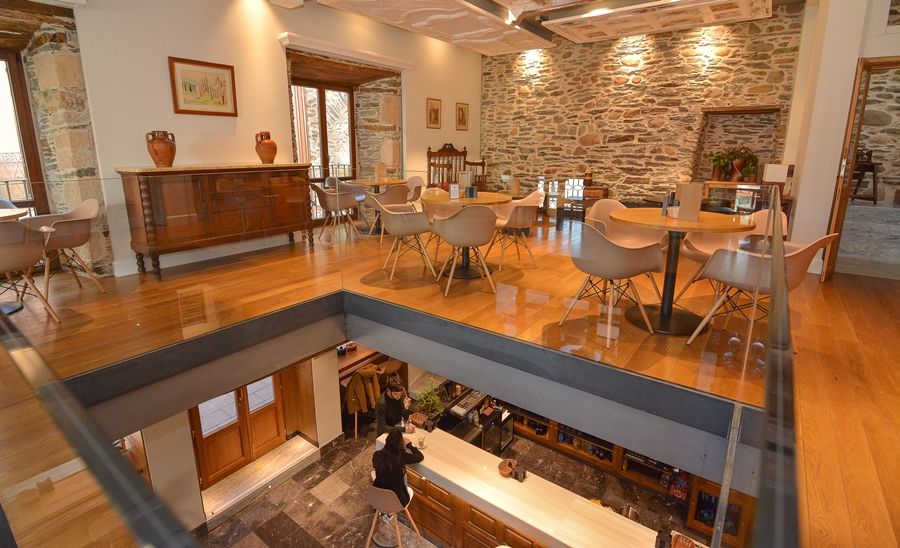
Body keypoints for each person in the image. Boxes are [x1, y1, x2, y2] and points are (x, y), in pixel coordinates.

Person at [372, 428, 424, 507]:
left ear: (387, 441)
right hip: (398, 501)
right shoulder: (402, 456)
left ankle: (383, 511)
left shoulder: (376, 455)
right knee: (403, 475)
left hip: (377, 495)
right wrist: (409, 445)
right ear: (401, 443)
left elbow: (377, 468)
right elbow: (420, 457)